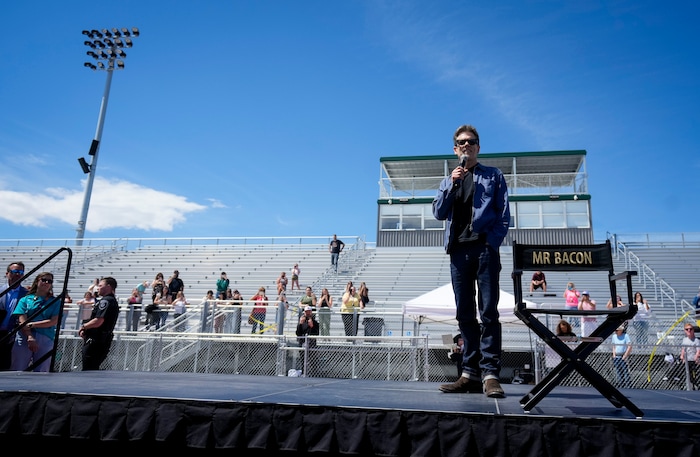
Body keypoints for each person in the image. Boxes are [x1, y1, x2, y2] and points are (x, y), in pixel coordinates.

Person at [433, 124, 510, 398]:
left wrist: (492, 242)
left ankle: (490, 375)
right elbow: (439, 213)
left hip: (485, 250)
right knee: (464, 314)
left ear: (478, 146)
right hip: (458, 253)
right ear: (455, 149)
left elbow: (503, 215)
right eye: (461, 143)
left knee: (488, 312)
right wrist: (452, 185)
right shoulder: (448, 180)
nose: (466, 146)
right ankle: (469, 374)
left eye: (471, 142)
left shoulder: (494, 175)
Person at [11, 272, 60, 372]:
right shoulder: (25, 300)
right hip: (25, 335)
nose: (46, 283)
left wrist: (32, 324)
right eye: (43, 280)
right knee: (18, 368)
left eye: (49, 281)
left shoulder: (55, 301)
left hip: (45, 337)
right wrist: (30, 336)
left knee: (42, 370)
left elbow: (53, 321)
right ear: (37, 281)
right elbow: (22, 319)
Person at [79, 277, 120, 370]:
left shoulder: (106, 301)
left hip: (96, 340)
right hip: (101, 339)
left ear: (109, 287)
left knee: (88, 368)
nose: (98, 288)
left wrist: (84, 327)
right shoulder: (110, 300)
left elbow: (98, 321)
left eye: (100, 286)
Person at [0, 262, 28, 370]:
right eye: (15, 272)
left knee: (7, 365)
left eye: (20, 272)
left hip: (13, 334)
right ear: (7, 273)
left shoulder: (26, 294)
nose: (18, 275)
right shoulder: (1, 291)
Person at [296, 305, 320, 376]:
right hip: (302, 342)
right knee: (302, 359)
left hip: (311, 343)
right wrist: (300, 324)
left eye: (309, 312)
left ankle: (314, 373)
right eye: (306, 312)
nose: (307, 313)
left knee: (313, 359)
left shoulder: (315, 322)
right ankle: (304, 372)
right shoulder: (302, 322)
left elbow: (317, 333)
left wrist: (312, 326)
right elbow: (298, 333)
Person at [680, 324, 700, 389]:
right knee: (688, 375)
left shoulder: (696, 340)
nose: (689, 330)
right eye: (687, 329)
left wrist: (696, 356)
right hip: (687, 360)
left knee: (696, 375)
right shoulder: (684, 340)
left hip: (694, 360)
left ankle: (696, 387)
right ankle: (689, 387)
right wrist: (682, 356)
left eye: (690, 329)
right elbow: (683, 349)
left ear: (693, 330)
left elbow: (698, 350)